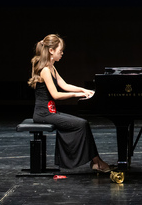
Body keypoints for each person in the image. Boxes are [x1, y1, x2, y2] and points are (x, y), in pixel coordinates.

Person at [28, 34, 112, 173]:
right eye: (60, 51)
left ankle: (96, 161)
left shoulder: (52, 67)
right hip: (43, 114)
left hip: (50, 112)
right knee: (81, 124)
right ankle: (96, 162)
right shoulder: (45, 70)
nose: (62, 53)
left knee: (83, 123)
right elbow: (56, 95)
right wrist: (77, 94)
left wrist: (84, 90)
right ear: (51, 51)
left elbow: (65, 85)